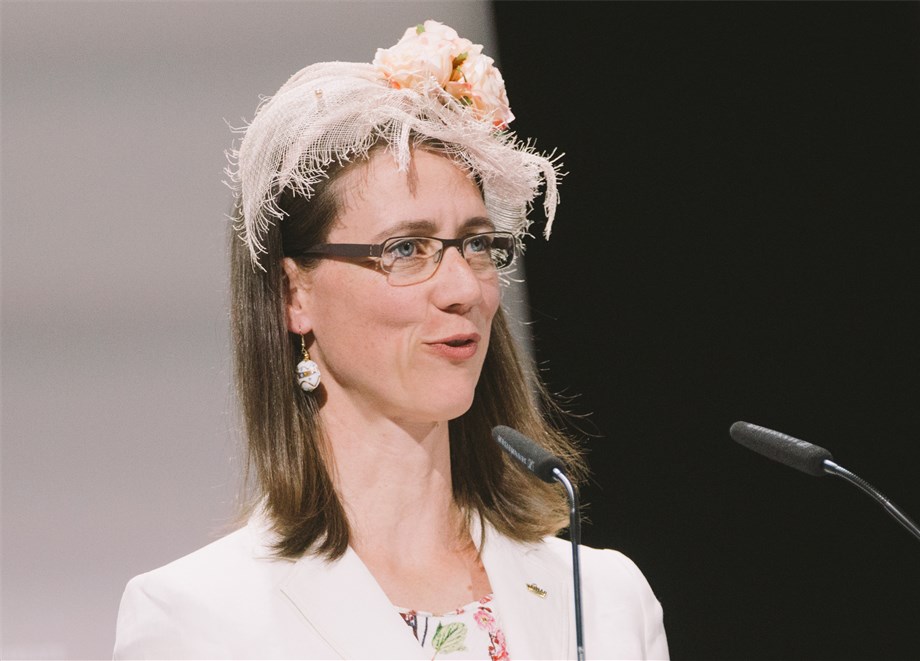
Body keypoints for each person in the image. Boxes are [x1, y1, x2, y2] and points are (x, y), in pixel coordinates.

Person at [113, 20, 669, 660]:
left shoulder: (604, 600)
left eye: (478, 244)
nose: (463, 287)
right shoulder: (200, 620)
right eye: (406, 248)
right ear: (294, 295)